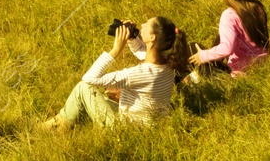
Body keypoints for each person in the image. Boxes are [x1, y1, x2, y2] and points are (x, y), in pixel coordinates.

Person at [41, 16, 191, 130]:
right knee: (98, 97)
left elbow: (90, 78)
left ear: (152, 37)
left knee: (83, 88)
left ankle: (56, 126)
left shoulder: (139, 73)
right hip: (148, 125)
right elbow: (142, 53)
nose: (143, 25)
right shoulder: (170, 63)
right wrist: (132, 38)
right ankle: (64, 120)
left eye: (147, 24)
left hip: (123, 128)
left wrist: (115, 51)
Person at [190, 0, 270, 76]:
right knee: (221, 38)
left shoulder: (229, 16)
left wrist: (202, 56)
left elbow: (227, 48)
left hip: (241, 72)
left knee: (193, 48)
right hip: (263, 63)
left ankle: (193, 78)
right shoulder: (257, 7)